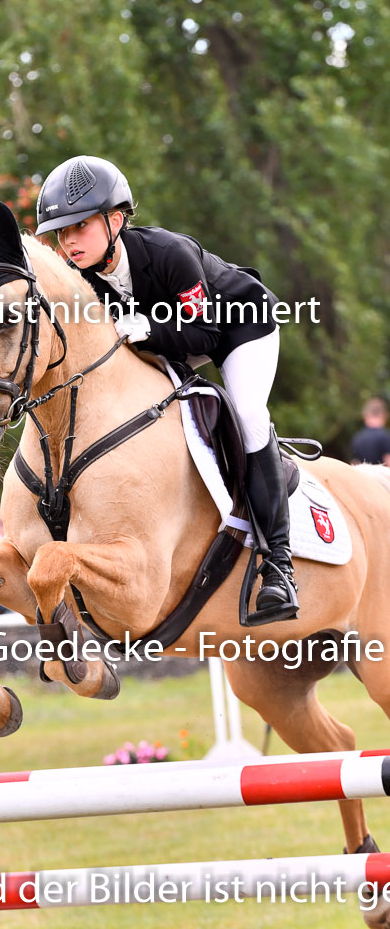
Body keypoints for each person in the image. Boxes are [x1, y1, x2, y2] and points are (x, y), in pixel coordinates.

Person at [36, 155, 296, 623]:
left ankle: (279, 563)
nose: (69, 241)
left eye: (81, 227)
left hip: (238, 324)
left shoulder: (167, 252)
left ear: (116, 220)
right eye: (62, 232)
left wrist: (149, 332)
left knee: (249, 413)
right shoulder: (80, 280)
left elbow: (206, 336)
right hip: (176, 335)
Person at [350, 398, 390, 466]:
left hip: (362, 475)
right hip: (380, 475)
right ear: (385, 415)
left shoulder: (357, 438)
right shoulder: (385, 437)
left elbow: (354, 463)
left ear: (365, 415)